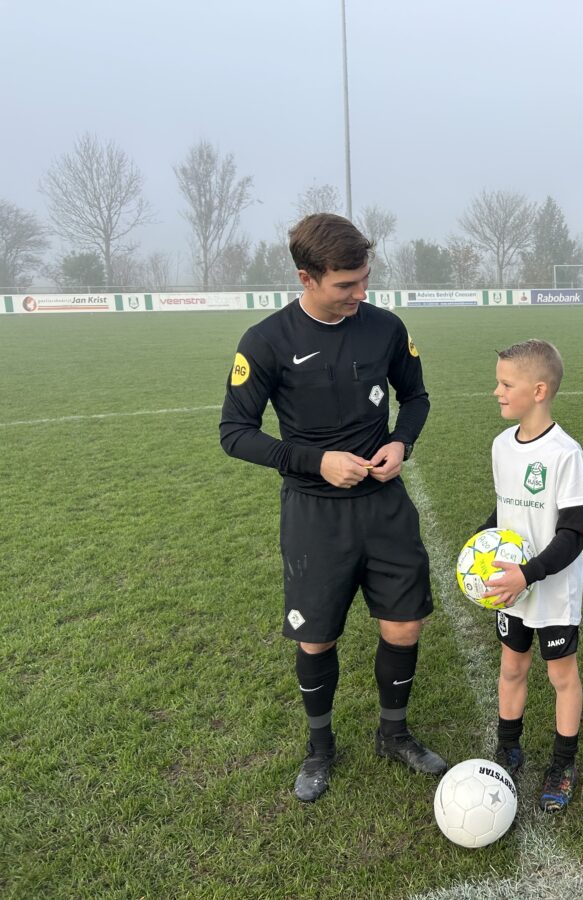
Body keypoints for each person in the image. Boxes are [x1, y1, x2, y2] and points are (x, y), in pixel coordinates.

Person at [220, 213, 447, 803]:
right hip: (315, 514)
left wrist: (402, 442)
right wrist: (314, 462)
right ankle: (320, 748)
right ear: (307, 277)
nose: (359, 294)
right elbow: (235, 432)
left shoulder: (386, 330)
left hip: (385, 507)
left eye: (364, 280)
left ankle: (393, 734)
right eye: (346, 285)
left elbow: (416, 397)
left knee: (404, 624)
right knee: (316, 639)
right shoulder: (266, 341)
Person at [478, 339, 583, 813]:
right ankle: (508, 749)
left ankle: (563, 763)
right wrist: (480, 545)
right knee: (511, 667)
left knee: (560, 674)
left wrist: (530, 574)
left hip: (551, 588)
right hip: (512, 586)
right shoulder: (502, 445)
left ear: (539, 389)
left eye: (506, 384)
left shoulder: (566, 454)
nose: (496, 391)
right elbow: (503, 511)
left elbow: (572, 535)